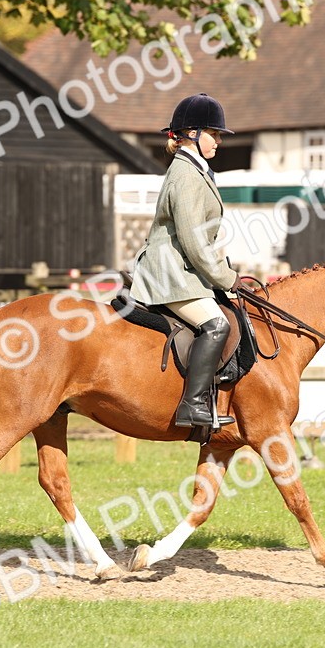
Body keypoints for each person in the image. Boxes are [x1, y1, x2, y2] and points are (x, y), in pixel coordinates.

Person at [131, 93, 240, 429]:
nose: (219, 141)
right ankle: (192, 405)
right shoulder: (187, 175)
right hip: (172, 275)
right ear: (192, 133)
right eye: (214, 133)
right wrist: (226, 279)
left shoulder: (194, 170)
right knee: (217, 324)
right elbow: (193, 242)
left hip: (184, 272)